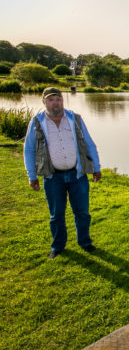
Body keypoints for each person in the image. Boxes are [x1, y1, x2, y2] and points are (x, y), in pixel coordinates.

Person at [23, 87, 101, 259]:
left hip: (77, 175)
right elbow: (29, 149)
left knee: (82, 212)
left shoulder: (75, 119)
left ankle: (85, 242)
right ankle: (57, 246)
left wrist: (96, 167)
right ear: (44, 102)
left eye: (58, 99)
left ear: (62, 101)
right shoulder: (37, 121)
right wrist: (32, 175)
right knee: (56, 214)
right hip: (52, 177)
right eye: (51, 100)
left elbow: (89, 144)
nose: (55, 103)